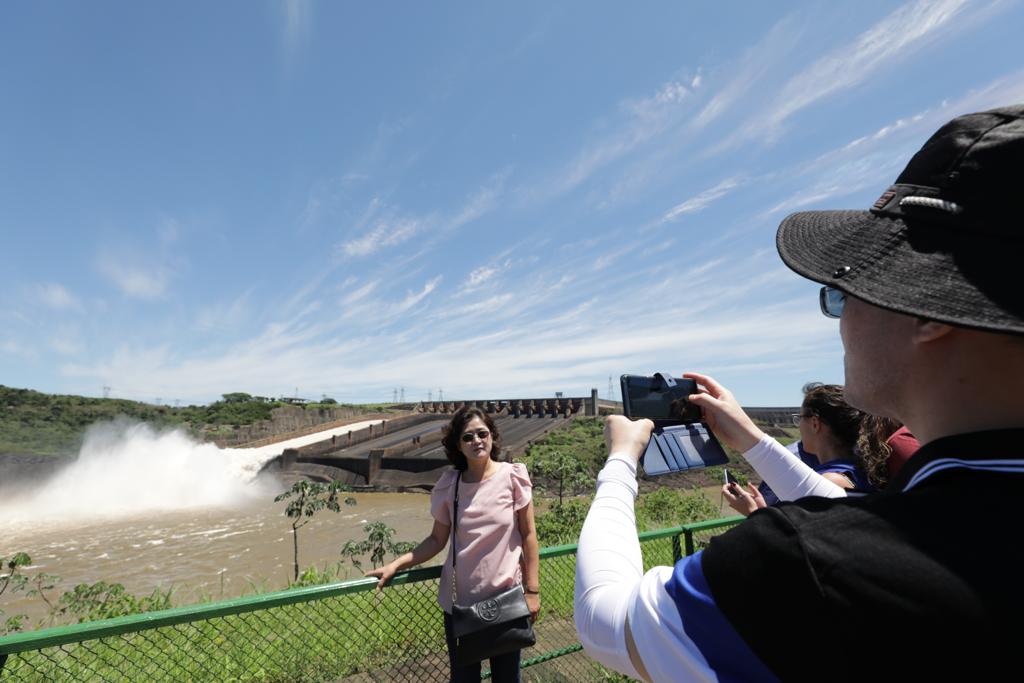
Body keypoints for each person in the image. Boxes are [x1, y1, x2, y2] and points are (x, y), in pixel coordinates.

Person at [574, 104, 1024, 681]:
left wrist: (619, 463)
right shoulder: (966, 525)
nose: (839, 320)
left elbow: (607, 622)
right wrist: (752, 439)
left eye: (843, 294)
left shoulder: (808, 564)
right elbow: (858, 513)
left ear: (928, 307)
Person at [367, 406, 540, 682]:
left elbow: (529, 534)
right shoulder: (451, 484)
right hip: (460, 605)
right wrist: (396, 565)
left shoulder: (513, 477)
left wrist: (532, 591)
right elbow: (437, 539)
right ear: (458, 445)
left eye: (482, 434)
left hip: (506, 600)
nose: (476, 441)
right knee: (463, 678)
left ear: (492, 436)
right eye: (468, 437)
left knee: (507, 678)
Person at [728, 383, 869, 515]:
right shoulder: (863, 470)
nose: (799, 426)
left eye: (800, 418)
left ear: (815, 424)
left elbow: (812, 531)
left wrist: (753, 512)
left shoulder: (829, 482)